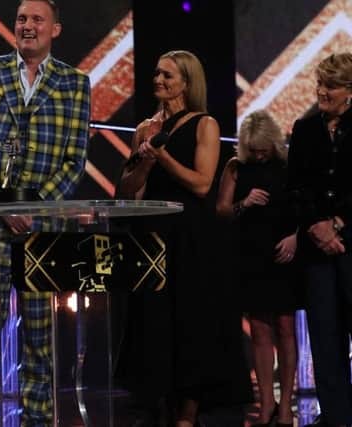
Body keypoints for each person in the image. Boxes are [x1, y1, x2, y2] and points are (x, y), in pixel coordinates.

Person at [0, 0, 91, 425]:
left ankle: (38, 420)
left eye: (36, 20)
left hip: (43, 229)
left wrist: (32, 208)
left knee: (40, 338)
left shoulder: (75, 83)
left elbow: (75, 161)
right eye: (21, 19)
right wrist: (2, 205)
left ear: (55, 29)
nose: (27, 26)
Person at [116, 50, 251, 426]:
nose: (158, 80)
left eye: (168, 76)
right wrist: (143, 162)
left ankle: (187, 416)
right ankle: (156, 405)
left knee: (189, 325)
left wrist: (162, 157)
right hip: (152, 238)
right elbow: (127, 191)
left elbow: (202, 182)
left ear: (187, 83)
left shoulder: (204, 124)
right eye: (157, 73)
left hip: (191, 240)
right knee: (155, 326)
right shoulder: (145, 127)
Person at [216, 110, 299, 427]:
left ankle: (286, 405)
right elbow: (222, 210)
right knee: (261, 332)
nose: (259, 153)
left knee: (286, 330)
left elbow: (305, 207)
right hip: (251, 257)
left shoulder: (288, 166)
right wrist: (244, 203)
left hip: (285, 256)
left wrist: (296, 238)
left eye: (264, 147)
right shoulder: (236, 167)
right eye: (254, 149)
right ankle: (266, 404)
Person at [286, 52, 352, 427]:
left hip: (349, 243)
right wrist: (316, 225)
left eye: (331, 85)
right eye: (320, 83)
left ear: (350, 91)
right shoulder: (305, 127)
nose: (322, 91)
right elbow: (294, 188)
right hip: (317, 251)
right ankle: (338, 418)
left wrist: (339, 223)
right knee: (326, 341)